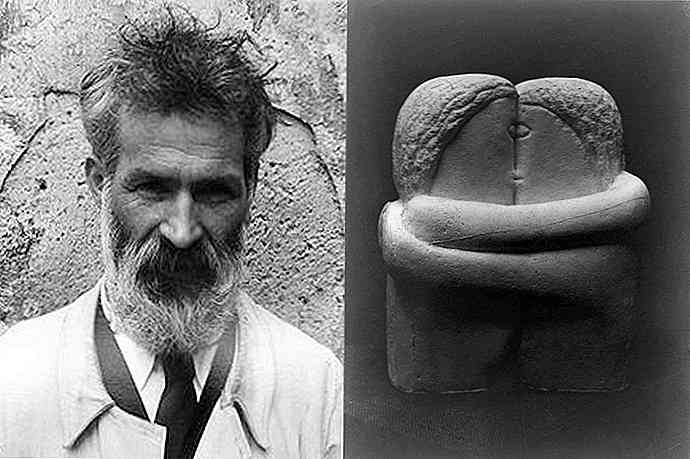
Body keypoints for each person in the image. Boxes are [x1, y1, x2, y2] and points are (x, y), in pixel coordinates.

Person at [0, 6, 341, 459]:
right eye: (152, 189)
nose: (182, 232)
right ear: (99, 182)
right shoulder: (13, 384)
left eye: (214, 193)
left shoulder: (317, 392)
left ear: (251, 189)